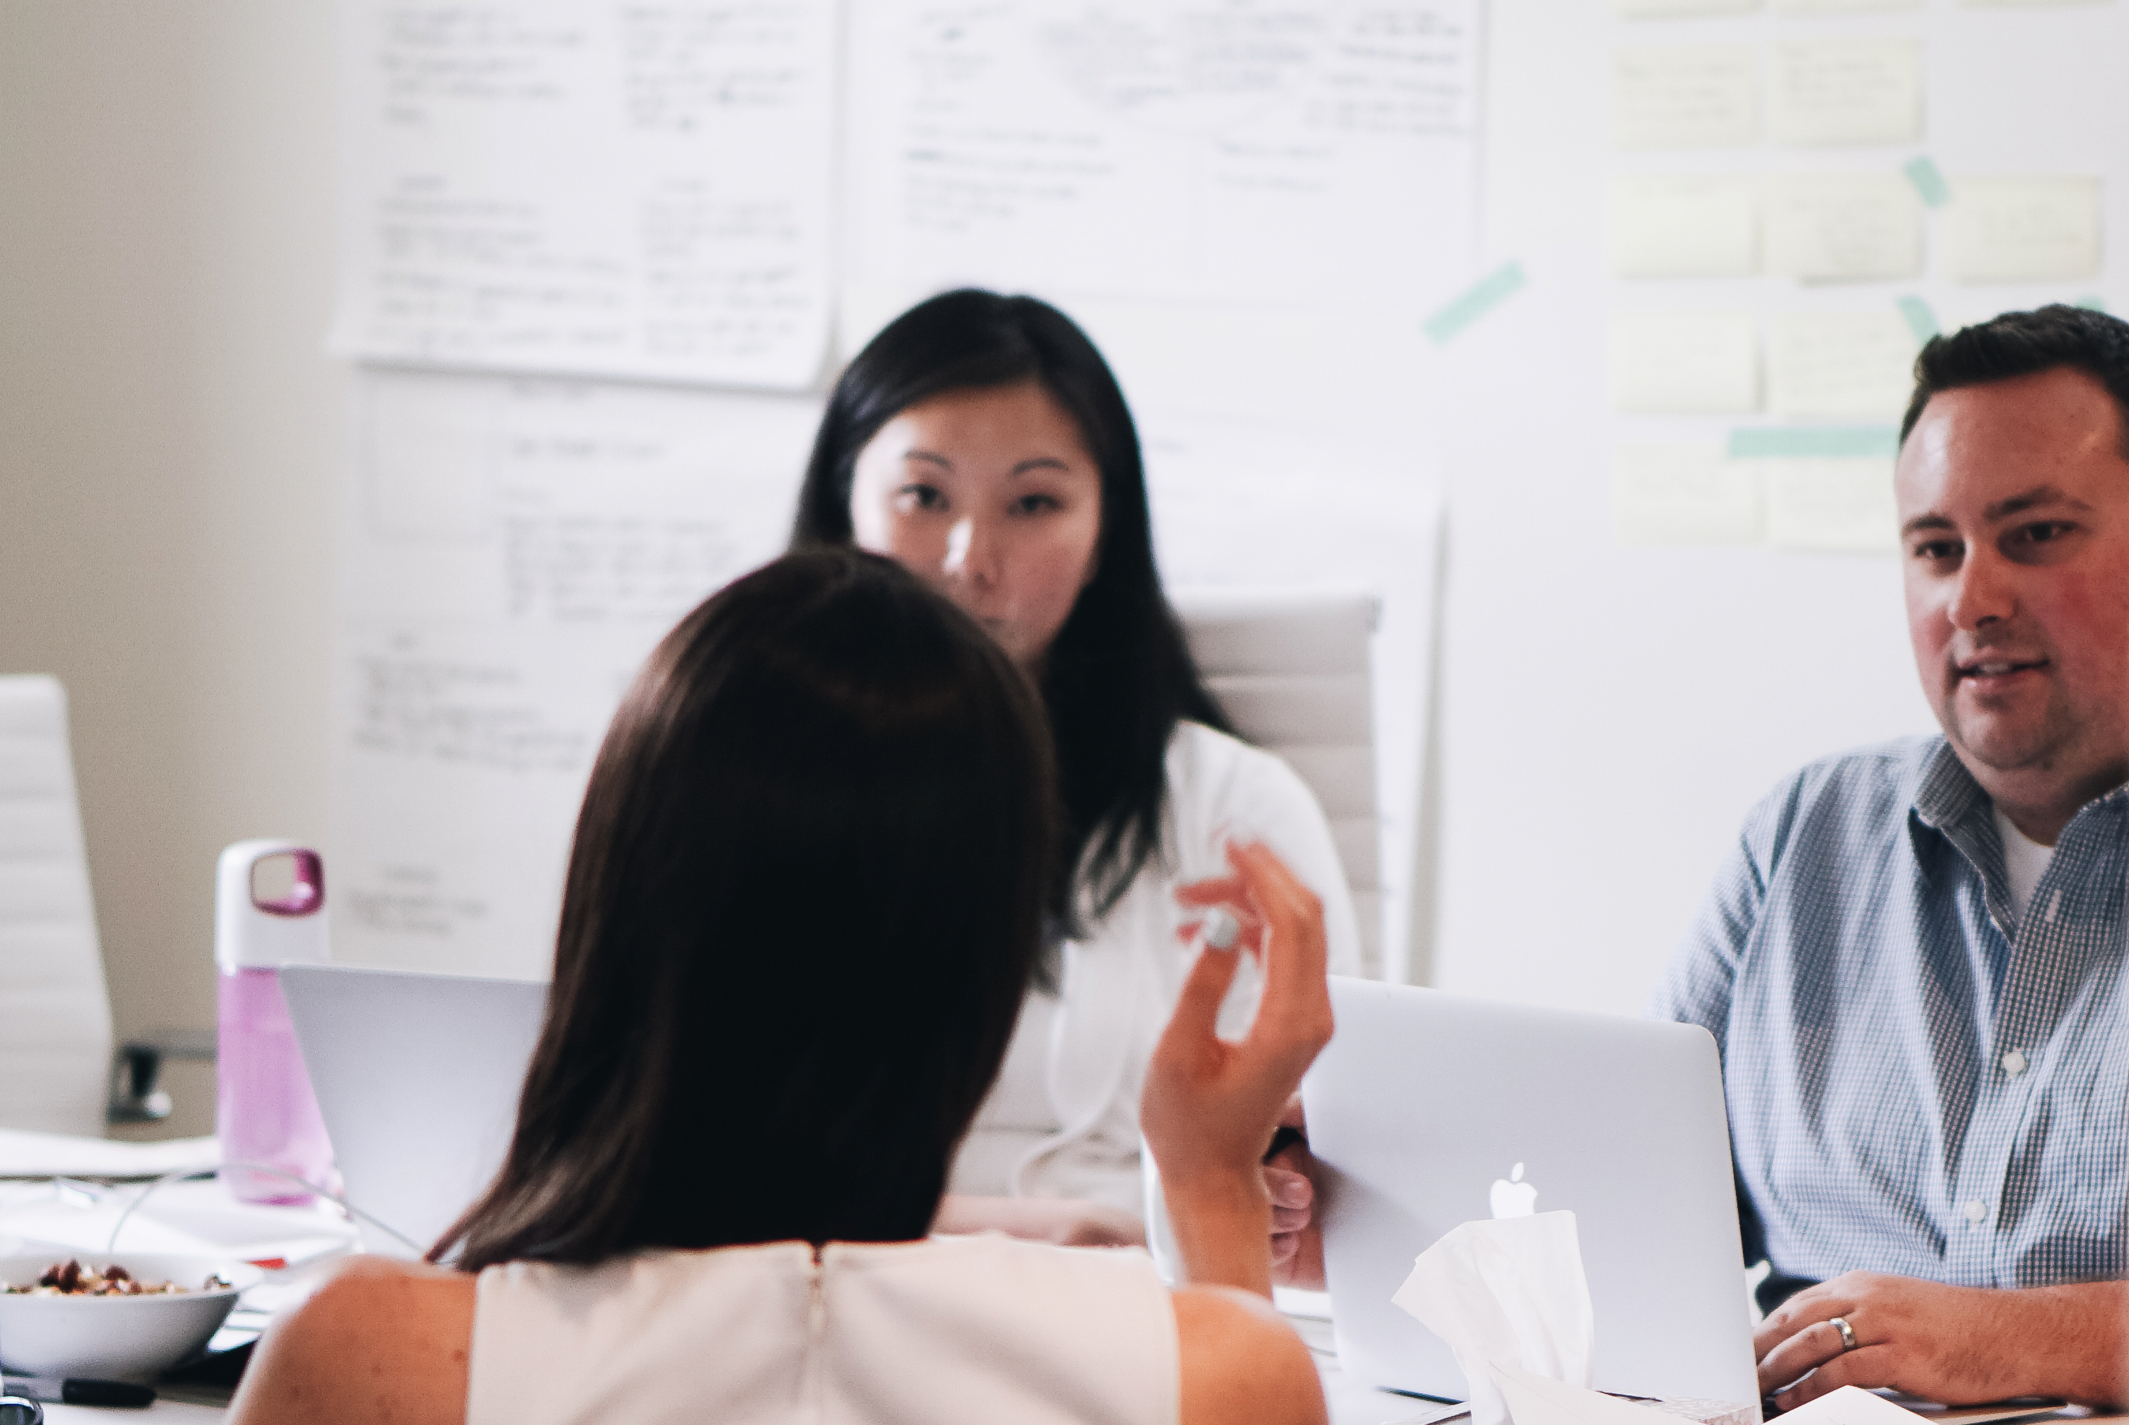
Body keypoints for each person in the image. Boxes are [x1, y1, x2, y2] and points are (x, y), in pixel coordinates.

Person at [225, 550, 1336, 1425]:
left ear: (610, 918)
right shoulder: (1217, 1376)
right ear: (985, 989)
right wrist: (1209, 1187)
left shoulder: (374, 1358)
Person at [1653, 305, 2129, 1413]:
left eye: (2035, 535)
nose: (1971, 601)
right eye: (1936, 549)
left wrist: (2016, 1341)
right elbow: (1637, 1200)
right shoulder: (1803, 834)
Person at [788, 290, 1348, 1269]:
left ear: (1104, 536)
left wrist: (1286, 1181)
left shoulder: (1235, 810)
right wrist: (1055, 1233)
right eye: (924, 496)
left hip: (1154, 1306)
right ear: (844, 505)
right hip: (837, 1295)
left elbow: (1335, 1136)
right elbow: (686, 1154)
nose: (971, 561)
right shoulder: (741, 782)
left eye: (1034, 502)